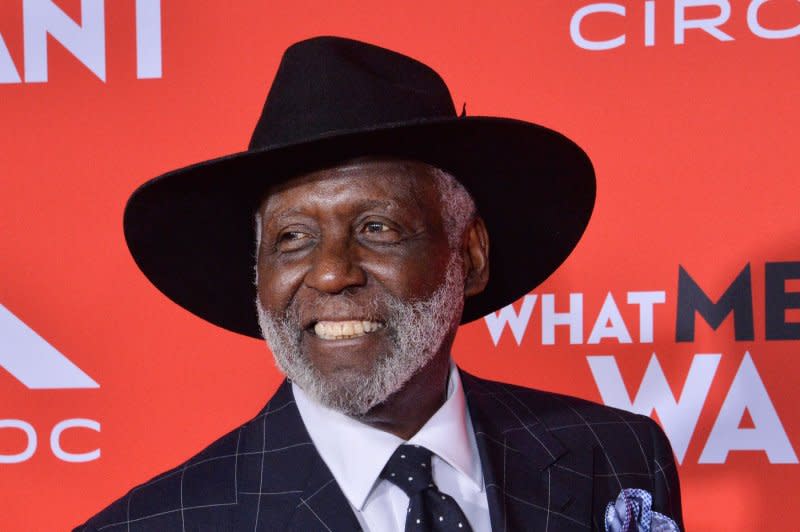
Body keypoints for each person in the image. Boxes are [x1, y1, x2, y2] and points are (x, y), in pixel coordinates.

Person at [76, 36, 682, 531]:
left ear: (466, 255)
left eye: (377, 226)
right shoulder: (154, 523)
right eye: (292, 238)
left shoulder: (620, 459)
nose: (332, 271)